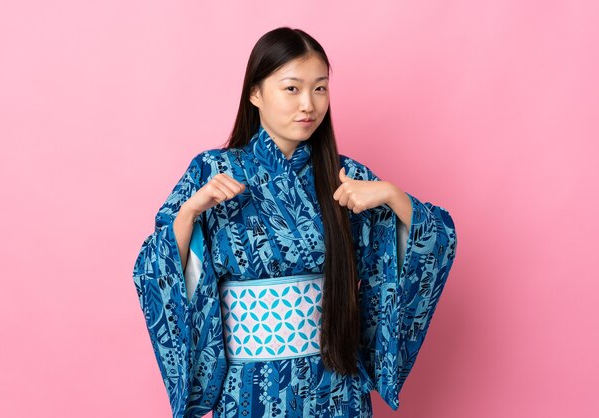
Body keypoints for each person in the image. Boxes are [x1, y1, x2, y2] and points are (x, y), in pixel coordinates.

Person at [132, 26, 458, 418]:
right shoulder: (213, 170)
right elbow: (154, 266)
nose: (308, 104)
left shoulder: (345, 176)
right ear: (255, 93)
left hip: (335, 383)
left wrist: (393, 196)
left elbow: (435, 239)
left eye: (320, 88)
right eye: (292, 88)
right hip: (248, 387)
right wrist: (189, 213)